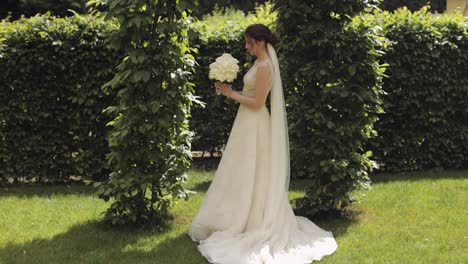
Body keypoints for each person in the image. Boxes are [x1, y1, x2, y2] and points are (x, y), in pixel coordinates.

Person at [188, 23, 338, 264]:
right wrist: (233, 91)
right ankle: (237, 215)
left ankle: (253, 218)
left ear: (259, 41)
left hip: (255, 123)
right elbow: (250, 97)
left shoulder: (266, 66)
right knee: (242, 169)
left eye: (249, 42)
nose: (247, 47)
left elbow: (258, 102)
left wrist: (230, 93)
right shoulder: (258, 63)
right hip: (246, 122)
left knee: (253, 169)